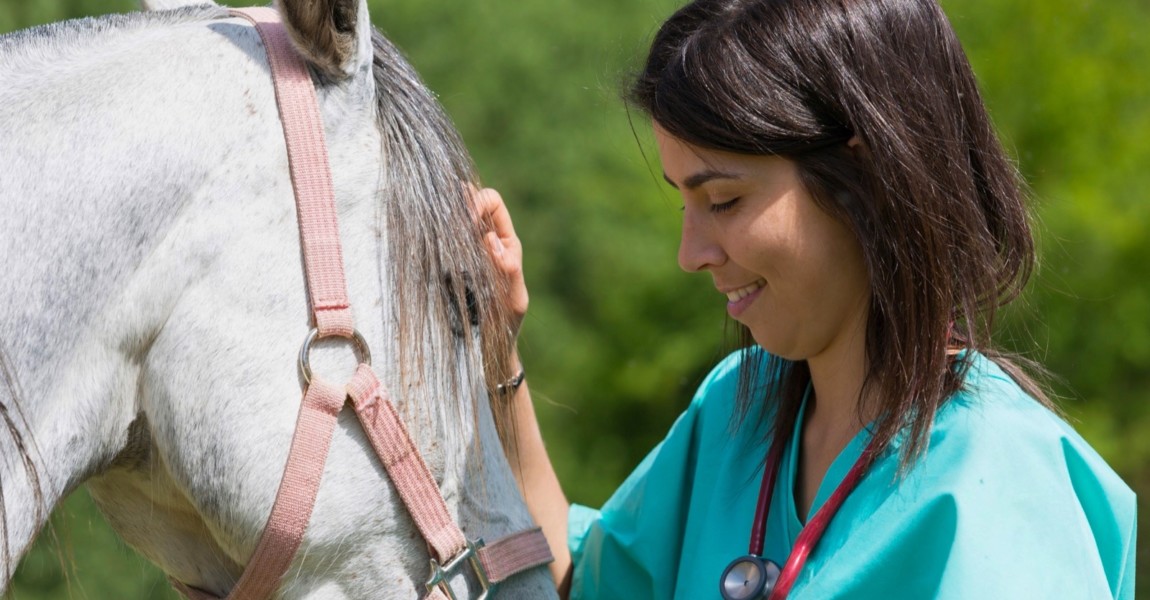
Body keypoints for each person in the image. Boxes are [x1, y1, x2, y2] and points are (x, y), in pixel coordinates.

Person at [473, 0, 1137, 597]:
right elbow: (580, 585)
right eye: (683, 203)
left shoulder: (1001, 483)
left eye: (723, 201)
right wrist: (496, 348)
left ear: (867, 176)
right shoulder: (737, 408)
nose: (691, 253)